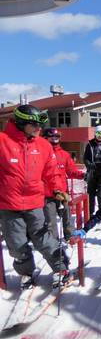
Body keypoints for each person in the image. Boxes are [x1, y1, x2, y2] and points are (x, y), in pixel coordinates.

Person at [0, 105, 70, 288]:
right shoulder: (3, 141)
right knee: (17, 244)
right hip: (8, 204)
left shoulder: (43, 145)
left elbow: (51, 172)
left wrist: (58, 190)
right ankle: (26, 273)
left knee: (43, 238)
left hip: (35, 202)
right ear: (21, 123)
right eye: (34, 125)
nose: (39, 128)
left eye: (41, 125)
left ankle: (61, 268)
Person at [42, 127, 85, 242]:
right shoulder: (41, 153)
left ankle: (69, 236)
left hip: (62, 193)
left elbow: (71, 171)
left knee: (67, 215)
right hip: (47, 194)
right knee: (50, 220)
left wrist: (83, 175)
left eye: (57, 136)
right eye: (52, 136)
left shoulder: (64, 154)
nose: (54, 139)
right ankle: (54, 242)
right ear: (45, 137)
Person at [84, 124, 101, 216]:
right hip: (93, 171)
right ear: (95, 134)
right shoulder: (90, 145)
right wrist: (89, 164)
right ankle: (90, 213)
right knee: (90, 194)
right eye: (98, 133)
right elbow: (86, 158)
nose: (100, 136)